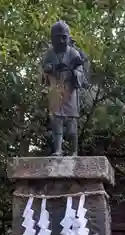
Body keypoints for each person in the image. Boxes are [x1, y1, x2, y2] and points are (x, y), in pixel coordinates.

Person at [41, 20, 84, 156]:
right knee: (56, 121)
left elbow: (81, 73)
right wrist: (49, 69)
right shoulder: (50, 54)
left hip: (70, 92)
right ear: (52, 39)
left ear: (68, 38)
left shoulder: (74, 54)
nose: (61, 40)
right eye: (57, 37)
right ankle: (58, 149)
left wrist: (73, 73)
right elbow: (43, 74)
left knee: (71, 124)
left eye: (64, 37)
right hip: (55, 90)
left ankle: (73, 150)